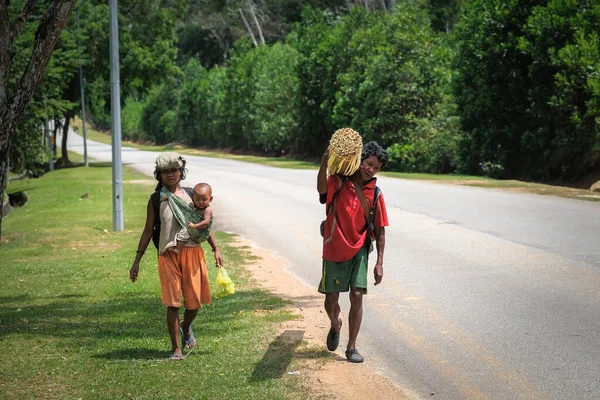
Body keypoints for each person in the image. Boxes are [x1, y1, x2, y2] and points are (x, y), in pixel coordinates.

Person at [129, 152, 224, 361]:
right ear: (159, 174)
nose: (170, 174)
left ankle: (186, 326)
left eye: (174, 170)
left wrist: (215, 248)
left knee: (194, 303)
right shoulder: (156, 199)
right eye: (165, 171)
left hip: (192, 254)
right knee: (173, 303)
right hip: (168, 255)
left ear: (181, 172)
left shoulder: (193, 195)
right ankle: (176, 349)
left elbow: (205, 225)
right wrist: (137, 260)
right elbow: (147, 231)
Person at [317, 141, 389, 363]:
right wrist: (323, 164)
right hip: (334, 246)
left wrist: (379, 263)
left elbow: (381, 229)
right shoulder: (338, 181)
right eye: (368, 164)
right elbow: (321, 190)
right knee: (331, 301)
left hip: (360, 250)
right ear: (360, 160)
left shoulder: (375, 193)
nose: (371, 170)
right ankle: (335, 324)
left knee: (357, 296)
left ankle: (351, 347)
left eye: (376, 168)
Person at [171, 183, 214, 254]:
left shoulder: (207, 210)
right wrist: (171, 198)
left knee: (185, 231)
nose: (201, 202)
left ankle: (178, 249)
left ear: (210, 199)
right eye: (197, 199)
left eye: (204, 199)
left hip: (202, 233)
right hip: (195, 232)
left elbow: (206, 222)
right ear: (193, 198)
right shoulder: (192, 206)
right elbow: (183, 206)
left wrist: (194, 226)